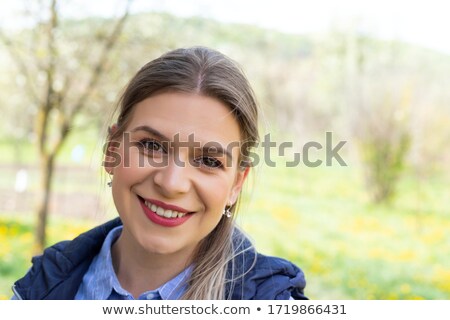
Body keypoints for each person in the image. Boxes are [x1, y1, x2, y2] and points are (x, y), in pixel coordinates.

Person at [12, 47, 307, 300]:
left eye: (209, 160)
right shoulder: (40, 288)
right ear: (112, 150)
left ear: (236, 184)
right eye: (152, 145)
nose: (171, 183)